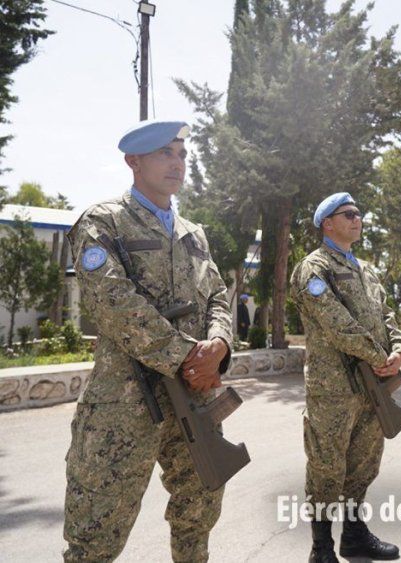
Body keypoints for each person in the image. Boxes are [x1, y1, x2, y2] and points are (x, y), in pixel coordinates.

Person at [62, 120, 233, 562]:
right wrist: (187, 356)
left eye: (181, 154)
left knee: (198, 515)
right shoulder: (104, 222)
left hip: (194, 400)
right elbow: (113, 301)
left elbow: (216, 295)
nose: (177, 163)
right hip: (126, 403)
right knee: (96, 529)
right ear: (133, 161)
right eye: (164, 153)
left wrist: (219, 344)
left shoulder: (194, 234)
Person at [290, 192, 401, 563]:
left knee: (364, 463)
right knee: (327, 466)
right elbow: (337, 323)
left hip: (372, 385)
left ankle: (354, 535)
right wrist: (379, 357)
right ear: (328, 223)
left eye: (359, 214)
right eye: (349, 214)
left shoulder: (367, 269)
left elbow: (387, 317)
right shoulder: (314, 268)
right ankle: (321, 547)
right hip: (333, 387)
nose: (358, 219)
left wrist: (399, 351)